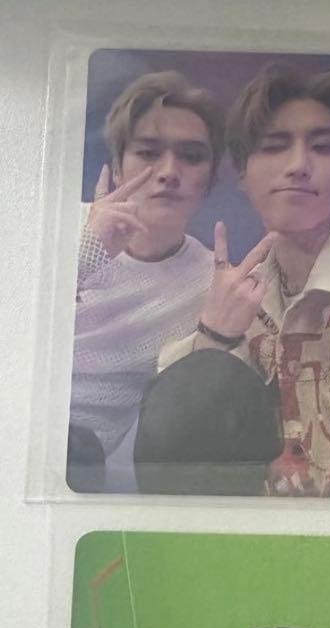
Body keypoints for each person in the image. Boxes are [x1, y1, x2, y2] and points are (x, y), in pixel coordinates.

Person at [158, 64, 330, 497]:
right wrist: (213, 338)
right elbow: (172, 459)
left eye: (322, 147)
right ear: (242, 175)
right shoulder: (232, 293)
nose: (298, 166)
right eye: (274, 146)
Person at [69, 71, 224, 493]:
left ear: (210, 179)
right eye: (148, 152)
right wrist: (84, 255)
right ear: (118, 168)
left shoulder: (213, 280)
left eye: (191, 156)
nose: (169, 172)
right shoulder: (59, 226)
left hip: (82, 469)